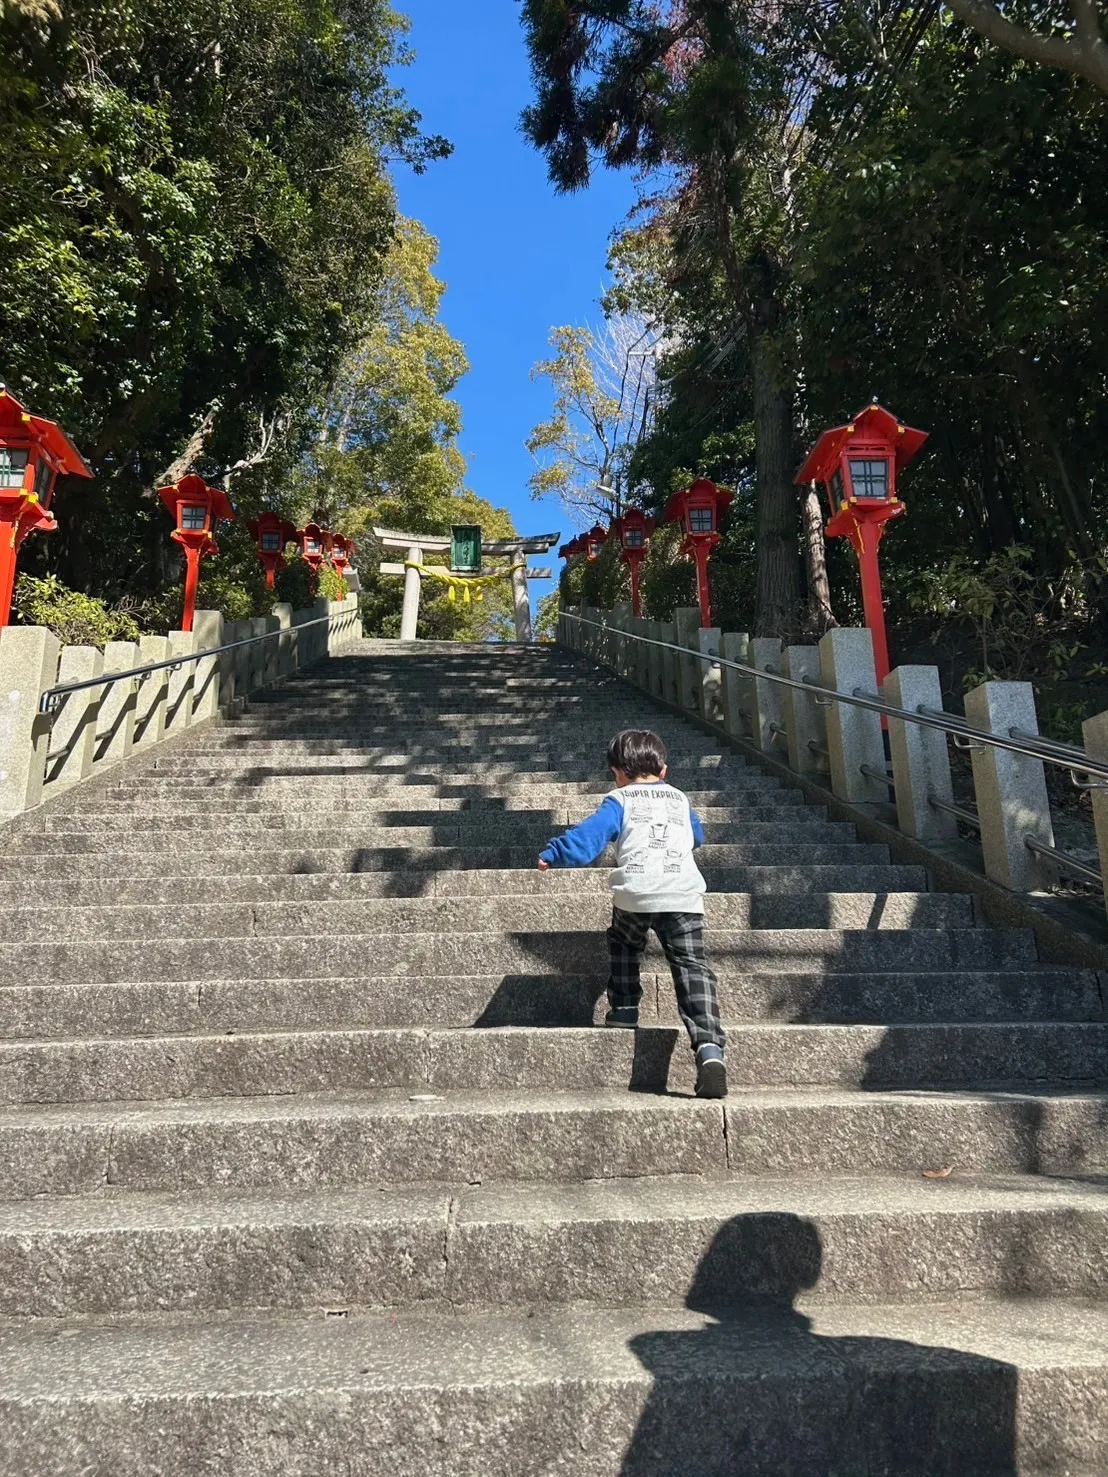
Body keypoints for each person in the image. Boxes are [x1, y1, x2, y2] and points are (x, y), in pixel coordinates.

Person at [537, 728, 727, 1099]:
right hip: (682, 895)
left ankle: (624, 1007)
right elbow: (698, 838)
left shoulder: (619, 799)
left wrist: (554, 853)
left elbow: (590, 836)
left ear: (617, 772)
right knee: (693, 967)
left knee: (624, 941)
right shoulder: (679, 799)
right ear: (664, 771)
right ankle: (709, 1048)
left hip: (636, 893)